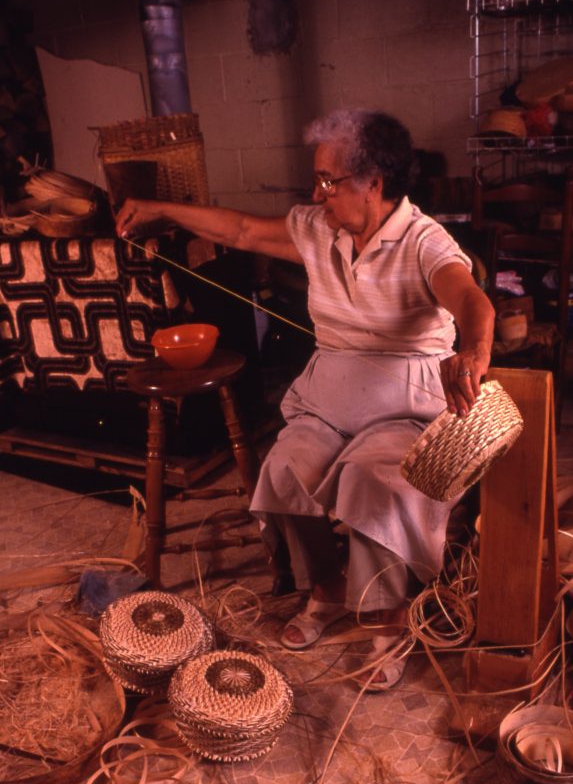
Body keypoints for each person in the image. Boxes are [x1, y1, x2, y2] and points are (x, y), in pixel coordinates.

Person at [116, 109, 494, 687]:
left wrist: (473, 352)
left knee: (375, 479)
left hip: (405, 401)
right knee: (287, 466)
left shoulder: (424, 240)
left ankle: (385, 619)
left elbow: (471, 299)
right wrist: (161, 209)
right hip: (331, 394)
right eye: (316, 180)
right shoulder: (320, 229)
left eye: (329, 181)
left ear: (374, 181)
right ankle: (327, 588)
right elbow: (239, 229)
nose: (318, 194)